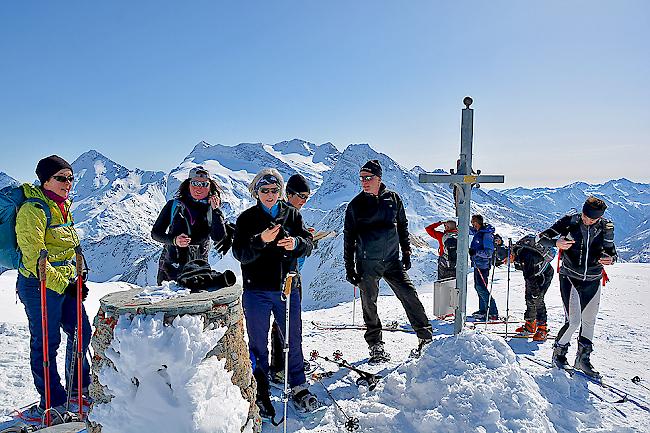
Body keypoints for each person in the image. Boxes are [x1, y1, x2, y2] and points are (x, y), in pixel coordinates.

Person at [232, 169, 317, 416]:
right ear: (256, 192)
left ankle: (298, 385)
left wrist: (296, 243)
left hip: (287, 288)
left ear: (281, 191)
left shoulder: (291, 214)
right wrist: (260, 240)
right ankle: (261, 392)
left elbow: (307, 244)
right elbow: (240, 254)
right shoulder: (246, 219)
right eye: (264, 190)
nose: (269, 195)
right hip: (256, 289)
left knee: (293, 338)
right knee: (258, 344)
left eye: (274, 190)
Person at [15, 155, 91, 418]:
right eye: (61, 178)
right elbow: (35, 258)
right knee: (47, 343)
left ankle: (77, 387)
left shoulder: (62, 207)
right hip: (38, 285)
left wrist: (78, 278)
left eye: (70, 178)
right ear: (45, 180)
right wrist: (65, 285)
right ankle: (52, 400)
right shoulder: (33, 211)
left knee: (82, 331)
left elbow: (68, 249)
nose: (67, 183)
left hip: (64, 282)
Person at [344, 160, 433, 363]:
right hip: (367, 263)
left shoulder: (393, 198)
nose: (364, 182)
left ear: (379, 178)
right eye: (362, 178)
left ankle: (425, 338)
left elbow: (402, 225)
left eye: (368, 178)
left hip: (392, 260)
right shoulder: (355, 205)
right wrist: (350, 267)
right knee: (369, 304)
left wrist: (407, 251)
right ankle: (375, 345)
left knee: (409, 295)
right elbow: (348, 237)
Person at [539, 196, 616, 377]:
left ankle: (583, 360)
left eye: (592, 219)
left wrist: (611, 259)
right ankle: (559, 355)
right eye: (585, 216)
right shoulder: (570, 221)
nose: (587, 220)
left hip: (593, 279)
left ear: (600, 218)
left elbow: (611, 252)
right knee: (573, 321)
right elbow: (541, 238)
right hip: (570, 277)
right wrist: (556, 243)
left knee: (589, 321)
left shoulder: (606, 228)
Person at [269, 173, 312, 383]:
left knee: (292, 323)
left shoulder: (294, 215)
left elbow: (304, 241)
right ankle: (278, 368)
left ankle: (293, 361)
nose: (304, 201)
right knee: (281, 322)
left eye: (307, 197)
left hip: (294, 276)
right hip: (281, 278)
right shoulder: (281, 215)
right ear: (290, 194)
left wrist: (304, 239)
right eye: (302, 196)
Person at [151, 166, 226, 285]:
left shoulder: (211, 210)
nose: (199, 188)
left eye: (204, 184)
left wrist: (216, 211)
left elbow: (219, 237)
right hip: (170, 270)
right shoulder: (174, 205)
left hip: (199, 270)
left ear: (210, 187)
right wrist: (174, 240)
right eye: (195, 183)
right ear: (188, 184)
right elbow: (155, 233)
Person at [510, 237, 555, 341]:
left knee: (538, 300)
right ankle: (530, 324)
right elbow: (528, 276)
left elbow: (530, 276)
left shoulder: (526, 255)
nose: (506, 263)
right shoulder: (519, 253)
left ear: (510, 255)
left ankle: (542, 329)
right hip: (534, 274)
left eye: (506, 260)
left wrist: (535, 291)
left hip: (544, 274)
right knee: (529, 298)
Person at [469, 214, 498, 321]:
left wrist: (475, 252)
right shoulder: (479, 232)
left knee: (481, 288)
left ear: (479, 222)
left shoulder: (486, 235)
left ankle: (493, 312)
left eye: (474, 222)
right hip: (478, 264)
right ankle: (483, 310)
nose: (472, 224)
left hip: (483, 265)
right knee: (479, 287)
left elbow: (489, 253)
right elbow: (469, 230)